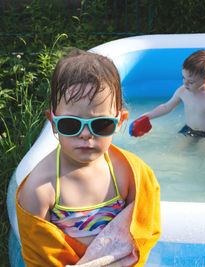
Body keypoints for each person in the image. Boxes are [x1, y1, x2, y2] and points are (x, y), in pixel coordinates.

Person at [15, 49, 161, 266]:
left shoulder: (130, 173)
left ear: (119, 121)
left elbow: (140, 231)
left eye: (101, 124)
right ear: (53, 123)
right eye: (70, 124)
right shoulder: (42, 188)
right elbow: (40, 256)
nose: (85, 134)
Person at [129, 49, 205, 139]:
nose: (185, 83)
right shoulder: (182, 91)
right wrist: (147, 116)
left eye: (191, 82)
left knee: (202, 153)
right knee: (176, 152)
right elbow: (166, 107)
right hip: (189, 129)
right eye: (183, 78)